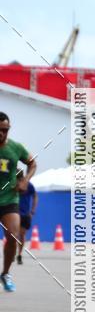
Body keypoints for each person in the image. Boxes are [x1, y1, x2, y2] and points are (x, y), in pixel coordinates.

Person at [0, 112, 37, 292]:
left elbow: (32, 163)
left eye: (5, 130)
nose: (1, 133)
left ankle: (5, 273)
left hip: (8, 199)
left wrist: (25, 180)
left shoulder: (15, 148)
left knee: (13, 235)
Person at [16, 170, 38, 265]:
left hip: (24, 214)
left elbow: (35, 196)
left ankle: (19, 254)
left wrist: (32, 210)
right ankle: (14, 253)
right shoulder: (12, 184)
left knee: (21, 235)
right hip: (14, 213)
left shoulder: (29, 185)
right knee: (14, 235)